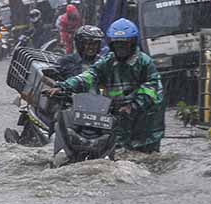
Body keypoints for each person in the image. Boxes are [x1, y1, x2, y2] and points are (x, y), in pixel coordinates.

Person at [47, 18, 165, 153]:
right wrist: (63, 87)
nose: (121, 49)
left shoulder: (145, 62)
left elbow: (151, 89)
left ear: (132, 44)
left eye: (124, 45)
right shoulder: (107, 62)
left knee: (146, 157)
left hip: (147, 121)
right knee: (118, 153)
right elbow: (88, 77)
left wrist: (133, 106)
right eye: (117, 45)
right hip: (119, 117)